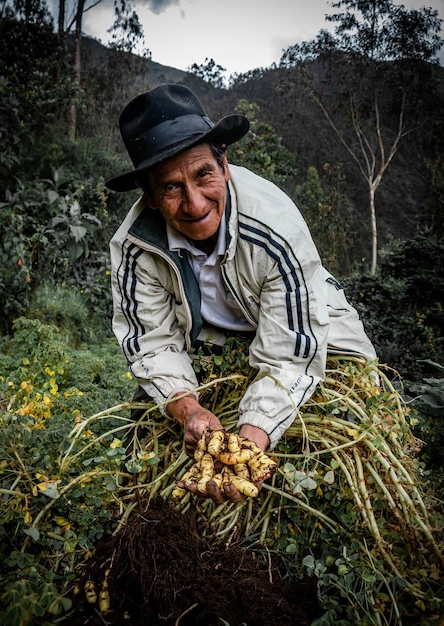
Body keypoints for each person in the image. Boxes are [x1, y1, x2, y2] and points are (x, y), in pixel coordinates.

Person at [106, 84, 376, 503]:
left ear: (224, 165)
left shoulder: (274, 226)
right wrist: (189, 410)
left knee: (334, 441)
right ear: (151, 197)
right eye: (171, 188)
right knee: (146, 431)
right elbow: (151, 341)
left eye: (203, 175)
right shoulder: (135, 247)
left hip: (312, 326)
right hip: (217, 343)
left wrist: (250, 438)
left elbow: (291, 351)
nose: (194, 203)